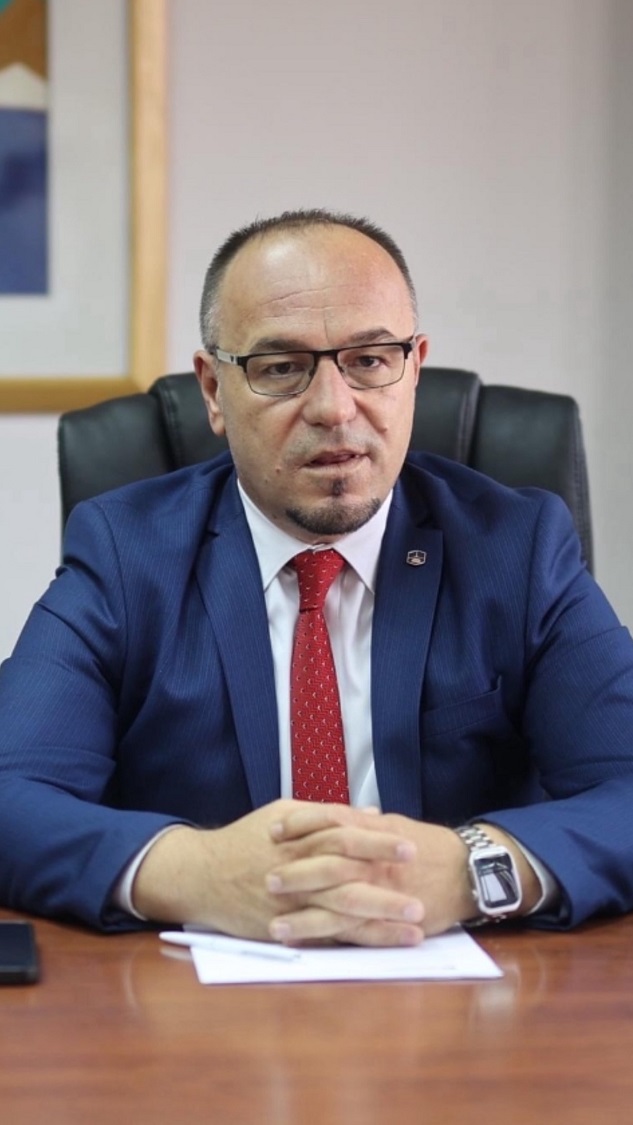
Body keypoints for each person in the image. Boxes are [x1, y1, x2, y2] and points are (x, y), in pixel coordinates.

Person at [1, 208, 633, 946]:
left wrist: (472, 868)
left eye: (370, 360)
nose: (335, 408)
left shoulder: (516, 548)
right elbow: (13, 791)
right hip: (198, 997)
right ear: (213, 391)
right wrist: (199, 872)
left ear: (414, 368)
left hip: (464, 989)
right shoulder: (124, 553)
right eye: (280, 368)